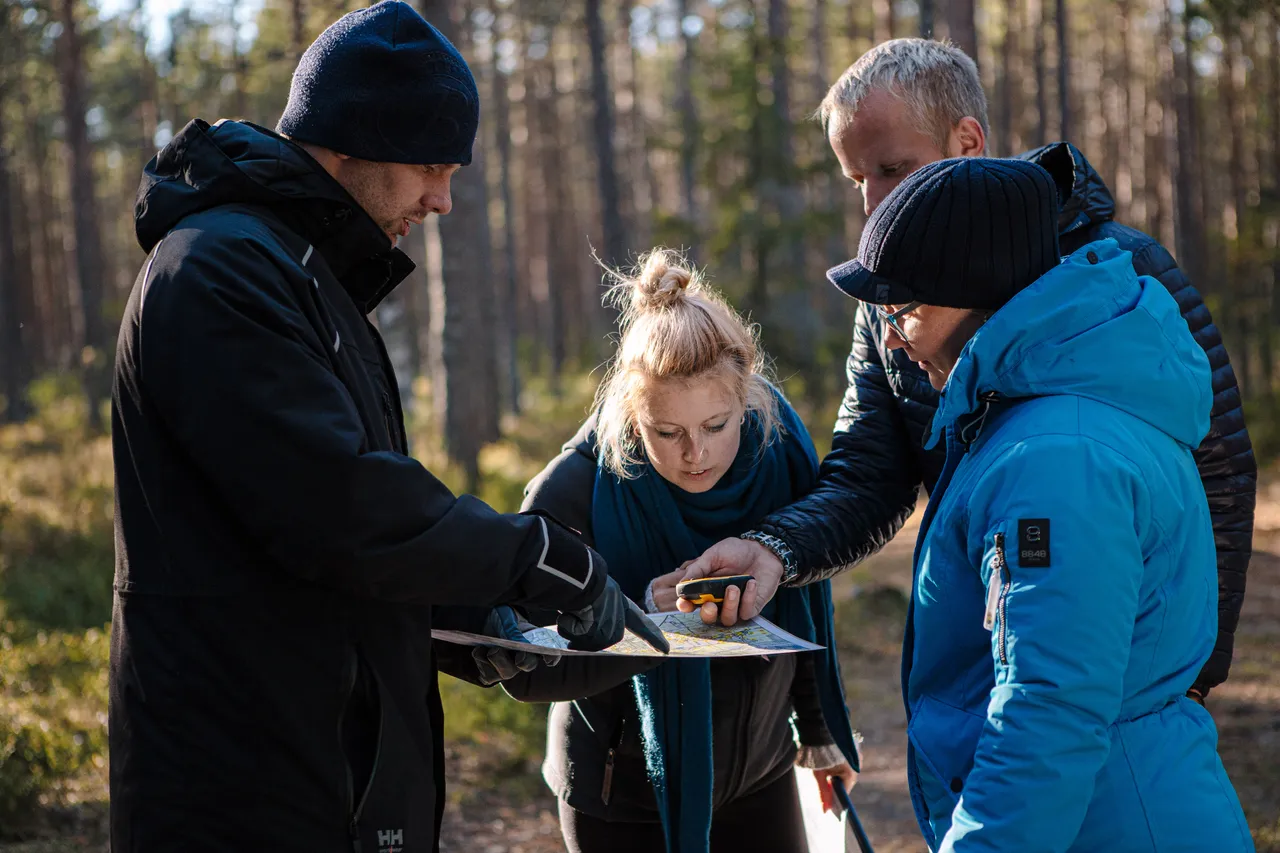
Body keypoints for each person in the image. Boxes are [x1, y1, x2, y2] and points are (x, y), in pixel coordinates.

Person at [108, 4, 662, 850]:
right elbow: (339, 505)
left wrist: (475, 619)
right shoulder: (217, 272)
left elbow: (314, 535)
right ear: (350, 141)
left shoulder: (301, 276)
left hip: (320, 768)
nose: (442, 200)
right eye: (431, 167)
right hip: (242, 787)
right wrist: (538, 558)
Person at [679, 38, 1255, 709]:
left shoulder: (1122, 275)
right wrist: (775, 547)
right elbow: (869, 474)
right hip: (975, 662)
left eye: (893, 168)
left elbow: (1218, 470)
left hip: (1125, 673)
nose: (872, 205)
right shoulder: (887, 300)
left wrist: (1193, 670)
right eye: (856, 180)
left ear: (967, 142)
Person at [836, 155, 1253, 851]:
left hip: (1107, 822)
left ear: (974, 291)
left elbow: (1048, 708)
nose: (889, 336)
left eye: (902, 309)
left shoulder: (1060, 458)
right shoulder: (1038, 411)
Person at [498, 250, 860, 853]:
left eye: (717, 425)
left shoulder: (781, 450)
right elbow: (525, 670)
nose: (696, 454)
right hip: (622, 795)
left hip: (761, 773)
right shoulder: (571, 493)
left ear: (747, 398)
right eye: (667, 433)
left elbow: (803, 601)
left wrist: (819, 731)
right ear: (630, 413)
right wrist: (647, 623)